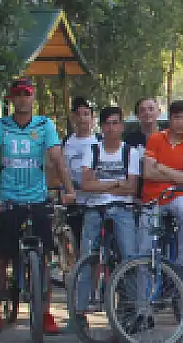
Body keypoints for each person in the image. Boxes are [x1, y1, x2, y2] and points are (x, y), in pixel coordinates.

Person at [0, 78, 75, 338]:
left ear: (33, 97)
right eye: (18, 94)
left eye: (27, 94)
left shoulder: (44, 125)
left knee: (42, 259)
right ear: (11, 99)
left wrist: (69, 190)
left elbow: (57, 159)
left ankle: (44, 313)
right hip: (7, 200)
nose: (23, 99)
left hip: (37, 199)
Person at [74, 105, 143, 330]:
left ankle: (131, 308)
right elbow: (86, 185)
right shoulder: (92, 150)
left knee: (129, 256)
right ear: (101, 127)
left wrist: (100, 185)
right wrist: (115, 183)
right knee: (87, 257)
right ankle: (80, 311)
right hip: (95, 209)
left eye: (115, 123)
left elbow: (131, 188)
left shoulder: (130, 152)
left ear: (122, 126)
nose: (111, 128)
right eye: (107, 124)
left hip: (122, 208)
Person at [140, 99, 183, 285]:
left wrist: (162, 168)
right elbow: (148, 172)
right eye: (176, 117)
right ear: (169, 119)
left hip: (176, 196)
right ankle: (143, 294)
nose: (180, 122)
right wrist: (178, 175)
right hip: (152, 199)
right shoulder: (155, 139)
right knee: (145, 248)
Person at [61, 97, 99, 263]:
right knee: (76, 247)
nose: (83, 118)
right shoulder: (66, 143)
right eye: (79, 114)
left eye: (86, 114)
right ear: (73, 117)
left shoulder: (99, 141)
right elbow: (61, 170)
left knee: (94, 250)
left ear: (92, 117)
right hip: (74, 203)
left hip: (94, 202)